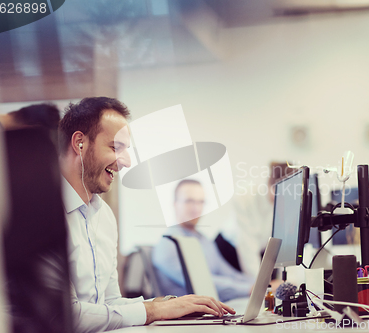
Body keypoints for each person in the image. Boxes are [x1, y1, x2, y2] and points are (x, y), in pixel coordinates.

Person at [58, 97, 234, 332]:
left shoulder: (104, 217)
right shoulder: (42, 214)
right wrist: (153, 310)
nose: (127, 162)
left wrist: (169, 304)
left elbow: (109, 304)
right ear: (80, 142)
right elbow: (66, 317)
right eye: (115, 147)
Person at [153, 179, 255, 302]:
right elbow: (202, 284)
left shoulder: (203, 240)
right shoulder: (169, 243)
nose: (196, 208)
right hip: (189, 317)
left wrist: (262, 285)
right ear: (175, 204)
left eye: (200, 202)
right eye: (189, 201)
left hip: (213, 307)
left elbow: (229, 274)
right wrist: (249, 289)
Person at [217, 162, 294, 277]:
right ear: (271, 185)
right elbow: (247, 244)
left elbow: (287, 244)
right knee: (252, 286)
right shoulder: (245, 197)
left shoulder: (287, 202)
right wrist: (261, 284)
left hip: (261, 251)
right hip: (230, 250)